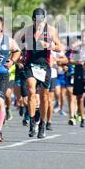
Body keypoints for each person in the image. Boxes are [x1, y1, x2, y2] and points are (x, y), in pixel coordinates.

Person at [14, 8, 62, 138]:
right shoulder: (27, 31)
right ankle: (32, 122)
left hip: (44, 65)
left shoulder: (51, 30)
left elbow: (60, 47)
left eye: (41, 20)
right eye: (36, 20)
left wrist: (49, 46)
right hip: (30, 64)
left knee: (44, 97)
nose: (39, 23)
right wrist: (20, 57)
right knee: (31, 91)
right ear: (33, 19)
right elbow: (18, 45)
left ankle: (42, 123)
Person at [69, 29, 85, 127]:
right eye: (82, 36)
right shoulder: (77, 48)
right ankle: (82, 118)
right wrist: (77, 62)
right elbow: (70, 60)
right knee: (80, 97)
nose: (84, 38)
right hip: (79, 71)